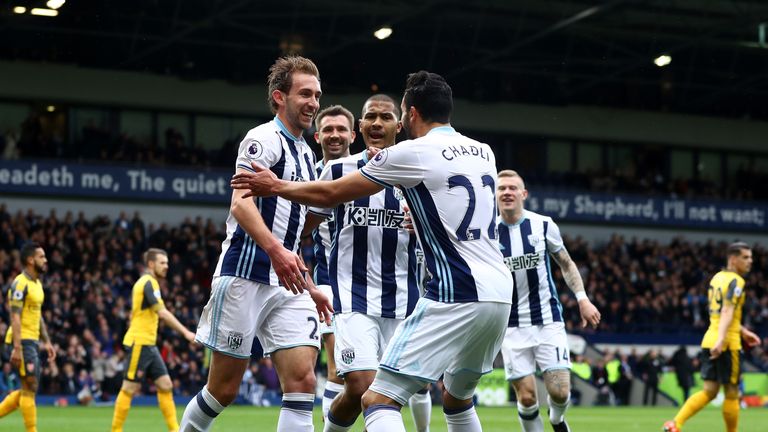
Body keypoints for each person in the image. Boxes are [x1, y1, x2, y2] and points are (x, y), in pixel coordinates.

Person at [231, 70, 513, 432]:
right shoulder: (484, 152)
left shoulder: (410, 153)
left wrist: (275, 185)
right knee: (457, 399)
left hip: (453, 291)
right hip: (498, 294)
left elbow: (330, 194)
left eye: (389, 116)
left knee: (378, 400)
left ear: (408, 116)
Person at [179, 55, 333, 432]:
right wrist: (276, 251)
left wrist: (309, 286)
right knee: (223, 390)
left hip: (288, 282)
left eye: (317, 94)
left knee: (302, 383)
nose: (314, 102)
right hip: (245, 274)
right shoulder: (262, 139)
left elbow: (294, 233)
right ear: (280, 97)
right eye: (305, 94)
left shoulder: (307, 154)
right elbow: (241, 204)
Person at [307, 95, 429, 432]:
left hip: (405, 301)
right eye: (370, 117)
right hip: (352, 296)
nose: (377, 123)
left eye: (385, 117)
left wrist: (419, 228)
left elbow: (440, 236)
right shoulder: (337, 170)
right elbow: (305, 231)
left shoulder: (418, 174)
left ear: (398, 125)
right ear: (360, 126)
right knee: (362, 385)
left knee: (393, 392)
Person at [495, 170, 601, 432]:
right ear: (494, 195)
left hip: (547, 320)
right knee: (528, 397)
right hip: (509, 326)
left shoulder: (543, 225)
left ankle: (557, 420)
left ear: (524, 194)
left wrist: (582, 299)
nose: (507, 192)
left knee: (560, 392)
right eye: (501, 188)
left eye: (512, 188)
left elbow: (566, 263)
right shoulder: (487, 232)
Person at [663, 242, 760, 432]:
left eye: (751, 257)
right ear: (733, 259)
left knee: (709, 391)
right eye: (746, 257)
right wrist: (722, 339)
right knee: (732, 393)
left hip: (709, 339)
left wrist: (743, 331)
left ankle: (675, 424)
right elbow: (726, 311)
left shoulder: (717, 278)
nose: (750, 261)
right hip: (727, 343)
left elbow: (718, 313)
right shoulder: (737, 281)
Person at [110, 248, 197, 432]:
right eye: (162, 263)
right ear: (151, 264)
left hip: (149, 344)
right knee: (129, 388)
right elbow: (162, 313)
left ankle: (175, 429)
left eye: (167, 263)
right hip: (139, 343)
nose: (167, 266)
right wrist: (186, 332)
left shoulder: (150, 283)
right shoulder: (148, 283)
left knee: (166, 385)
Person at [309, 105, 355, 421]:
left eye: (341, 129)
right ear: (317, 136)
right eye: (328, 129)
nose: (334, 135)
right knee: (337, 365)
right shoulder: (308, 175)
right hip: (328, 277)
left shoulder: (370, 171)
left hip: (375, 283)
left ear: (353, 134)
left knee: (375, 377)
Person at [0, 242, 56, 432]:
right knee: (29, 387)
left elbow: (37, 315)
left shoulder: (37, 284)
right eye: (42, 256)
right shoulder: (19, 283)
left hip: (32, 341)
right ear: (31, 260)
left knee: (29, 388)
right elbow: (14, 317)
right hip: (20, 341)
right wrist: (17, 347)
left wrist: (47, 341)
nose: (45, 260)